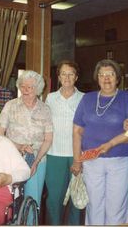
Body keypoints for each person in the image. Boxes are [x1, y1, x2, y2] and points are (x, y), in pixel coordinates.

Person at [71, 59, 128, 225]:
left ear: (118, 78)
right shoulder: (87, 99)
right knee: (94, 205)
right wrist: (76, 160)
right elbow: (77, 131)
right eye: (102, 75)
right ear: (97, 78)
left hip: (119, 160)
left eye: (110, 74)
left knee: (116, 207)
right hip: (91, 159)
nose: (106, 78)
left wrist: (110, 144)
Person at [0, 70, 53, 207]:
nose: (26, 90)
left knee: (33, 201)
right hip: (12, 156)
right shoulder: (11, 105)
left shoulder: (45, 109)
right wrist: (19, 146)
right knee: (11, 199)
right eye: (23, 86)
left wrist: (36, 161)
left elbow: (48, 139)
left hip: (37, 158)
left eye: (30, 87)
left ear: (38, 89)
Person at [45, 60, 84, 225]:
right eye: (63, 74)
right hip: (55, 154)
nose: (67, 77)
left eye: (71, 74)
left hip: (78, 155)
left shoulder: (85, 98)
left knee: (77, 198)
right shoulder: (50, 98)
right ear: (58, 77)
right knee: (54, 198)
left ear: (76, 77)